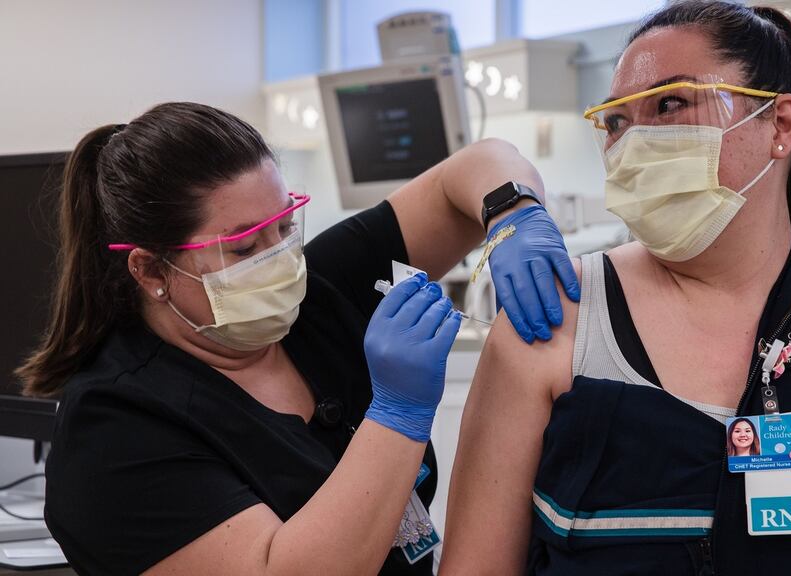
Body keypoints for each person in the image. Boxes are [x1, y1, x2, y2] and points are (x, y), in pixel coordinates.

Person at [440, 2, 791, 575]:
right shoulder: (554, 318)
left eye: (671, 103)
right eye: (616, 120)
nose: (635, 141)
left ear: (781, 124)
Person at [17, 102, 579, 575]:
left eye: (284, 225)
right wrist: (397, 414)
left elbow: (480, 164)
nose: (281, 261)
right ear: (151, 271)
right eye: (243, 248)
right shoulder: (115, 427)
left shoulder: (319, 292)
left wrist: (513, 210)